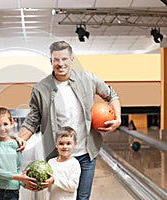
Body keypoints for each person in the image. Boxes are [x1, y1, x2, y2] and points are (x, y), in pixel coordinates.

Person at [17, 41, 121, 200]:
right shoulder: (40, 89)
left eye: (64, 59)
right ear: (50, 61)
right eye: (56, 59)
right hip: (57, 157)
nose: (60, 64)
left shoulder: (88, 79)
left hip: (86, 153)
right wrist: (17, 143)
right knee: (59, 197)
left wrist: (118, 118)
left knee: (83, 197)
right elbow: (32, 121)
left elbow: (111, 95)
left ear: (72, 59)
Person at [0, 107, 36, 200]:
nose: (2, 128)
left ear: (12, 123)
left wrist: (25, 183)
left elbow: (17, 169)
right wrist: (20, 177)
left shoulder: (17, 144)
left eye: (5, 124)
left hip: (13, 191)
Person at [48, 126, 81, 200]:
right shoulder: (51, 162)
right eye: (61, 143)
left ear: (75, 144)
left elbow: (73, 186)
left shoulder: (74, 164)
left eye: (68, 143)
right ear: (56, 144)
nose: (65, 146)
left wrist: (55, 180)